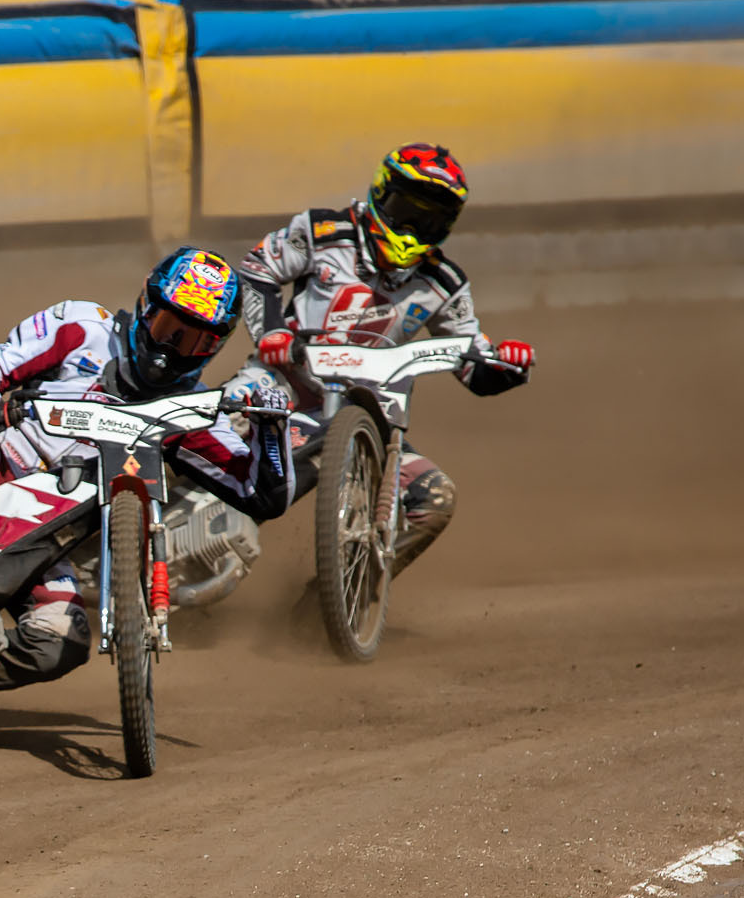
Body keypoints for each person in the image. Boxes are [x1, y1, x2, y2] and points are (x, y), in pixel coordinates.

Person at [0, 247, 254, 690]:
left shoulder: (196, 409)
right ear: (146, 307)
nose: (170, 352)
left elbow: (258, 487)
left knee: (62, 640)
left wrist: (268, 426)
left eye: (193, 341)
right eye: (168, 328)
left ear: (215, 347)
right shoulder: (84, 326)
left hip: (50, 532)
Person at [212, 142, 535, 574]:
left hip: (364, 418)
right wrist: (272, 333)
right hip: (281, 385)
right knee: (202, 430)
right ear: (382, 195)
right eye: (407, 210)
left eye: (430, 221)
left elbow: (472, 362)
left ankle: (332, 607)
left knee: (433, 498)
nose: (415, 227)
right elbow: (257, 271)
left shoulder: (445, 283)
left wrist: (506, 365)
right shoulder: (322, 231)